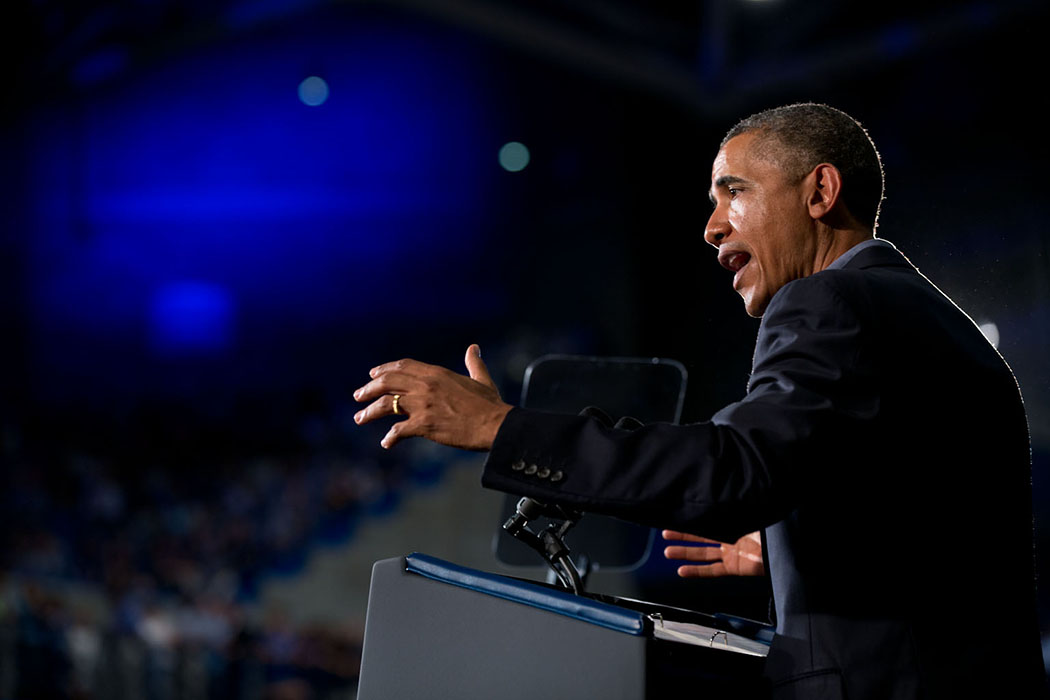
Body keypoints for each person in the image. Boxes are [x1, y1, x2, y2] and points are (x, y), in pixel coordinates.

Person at [353, 103, 1047, 698]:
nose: (712, 227)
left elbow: (733, 469)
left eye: (733, 192)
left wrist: (505, 429)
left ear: (820, 191)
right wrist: (796, 549)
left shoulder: (829, 296)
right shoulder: (943, 329)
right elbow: (937, 523)